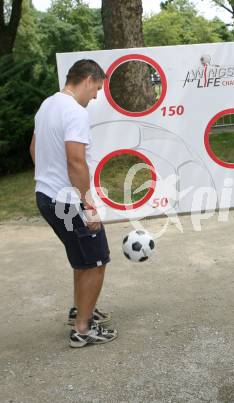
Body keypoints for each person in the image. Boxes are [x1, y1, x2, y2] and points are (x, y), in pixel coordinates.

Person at [30, 59, 117, 348]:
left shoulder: (47, 105)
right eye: (97, 89)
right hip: (68, 201)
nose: (95, 96)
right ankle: (83, 329)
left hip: (46, 196)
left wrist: (49, 177)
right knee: (96, 262)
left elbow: (34, 148)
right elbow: (76, 161)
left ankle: (81, 311)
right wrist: (88, 204)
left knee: (82, 259)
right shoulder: (75, 112)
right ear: (89, 79)